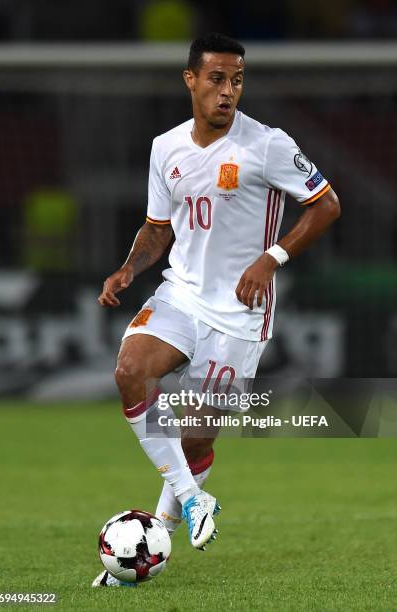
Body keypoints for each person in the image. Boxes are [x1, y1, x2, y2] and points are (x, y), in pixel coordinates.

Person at [93, 32, 340, 587]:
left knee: (198, 437)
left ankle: (156, 535)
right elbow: (159, 228)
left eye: (237, 80)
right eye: (216, 79)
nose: (227, 91)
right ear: (191, 81)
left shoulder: (268, 144)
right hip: (180, 292)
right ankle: (194, 502)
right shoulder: (166, 147)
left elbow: (327, 204)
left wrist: (271, 259)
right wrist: (130, 268)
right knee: (131, 370)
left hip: (239, 314)